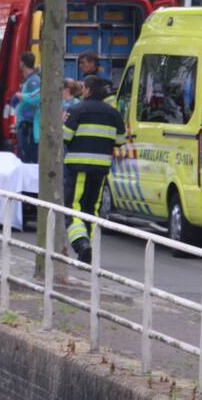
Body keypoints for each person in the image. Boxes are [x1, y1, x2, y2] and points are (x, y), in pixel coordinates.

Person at [63, 75, 127, 263]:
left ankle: (81, 244)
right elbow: (120, 140)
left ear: (88, 90)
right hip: (101, 170)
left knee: (74, 208)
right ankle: (87, 250)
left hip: (78, 168)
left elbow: (65, 136)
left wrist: (62, 122)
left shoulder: (76, 110)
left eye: (83, 87)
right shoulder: (113, 113)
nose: (82, 90)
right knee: (92, 209)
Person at [14, 52, 41, 163]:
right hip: (25, 125)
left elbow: (36, 101)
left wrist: (26, 117)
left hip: (28, 127)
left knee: (28, 158)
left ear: (22, 63)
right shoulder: (29, 80)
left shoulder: (33, 81)